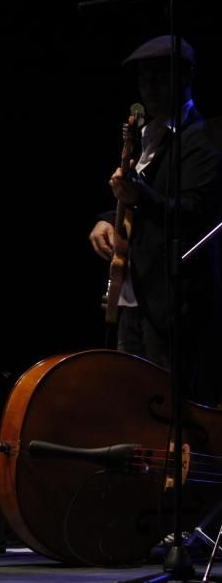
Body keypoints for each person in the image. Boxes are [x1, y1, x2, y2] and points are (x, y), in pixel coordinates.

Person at [88, 35, 222, 405]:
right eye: (145, 79)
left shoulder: (202, 139)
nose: (150, 87)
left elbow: (194, 213)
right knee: (130, 405)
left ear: (186, 77)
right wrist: (107, 220)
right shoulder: (148, 134)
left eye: (160, 78)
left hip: (172, 304)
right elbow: (139, 198)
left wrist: (140, 197)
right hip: (134, 296)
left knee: (169, 407)